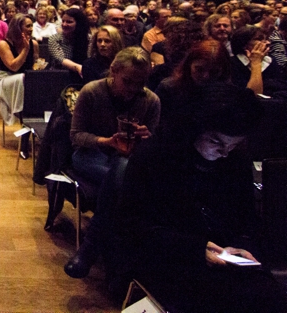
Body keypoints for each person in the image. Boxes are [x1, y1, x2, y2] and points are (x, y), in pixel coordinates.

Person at [113, 83, 287, 312]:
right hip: (167, 257)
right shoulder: (155, 156)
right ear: (193, 131)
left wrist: (243, 246)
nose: (225, 152)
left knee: (269, 297)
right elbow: (130, 226)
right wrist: (196, 249)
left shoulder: (234, 160)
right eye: (216, 142)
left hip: (223, 257)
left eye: (233, 145)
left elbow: (247, 219)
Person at [64, 47, 160, 279]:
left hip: (128, 159)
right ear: (113, 71)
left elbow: (155, 149)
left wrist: (148, 137)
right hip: (91, 154)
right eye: (127, 81)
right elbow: (76, 137)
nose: (133, 89)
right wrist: (106, 141)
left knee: (120, 174)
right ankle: (119, 261)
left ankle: (90, 248)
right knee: (124, 178)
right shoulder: (92, 92)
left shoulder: (150, 100)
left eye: (140, 83)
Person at [0, 15, 38, 158]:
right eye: (27, 26)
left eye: (32, 25)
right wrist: (25, 50)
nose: (31, 29)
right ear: (18, 27)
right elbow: (13, 67)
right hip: (6, 79)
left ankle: (28, 133)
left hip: (26, 81)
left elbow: (34, 66)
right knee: (24, 79)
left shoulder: (34, 44)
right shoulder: (4, 44)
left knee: (34, 82)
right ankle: (26, 136)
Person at [49, 8, 90, 82]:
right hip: (59, 76)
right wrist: (78, 67)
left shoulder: (88, 38)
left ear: (79, 23)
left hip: (84, 75)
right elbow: (61, 59)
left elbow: (90, 58)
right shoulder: (54, 39)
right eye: (63, 21)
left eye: (69, 22)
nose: (64, 24)